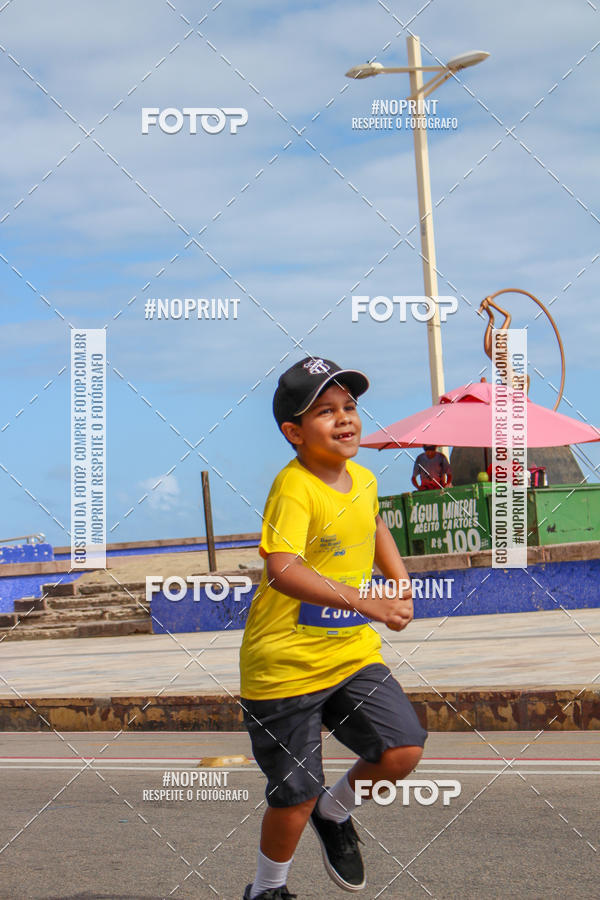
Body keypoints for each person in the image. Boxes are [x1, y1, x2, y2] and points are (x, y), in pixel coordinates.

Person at [239, 356, 427, 900]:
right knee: (294, 794)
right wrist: (367, 601)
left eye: (349, 407)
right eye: (325, 411)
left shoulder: (363, 478)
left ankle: (336, 810)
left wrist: (398, 580)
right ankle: (267, 890)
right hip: (284, 668)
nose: (344, 418)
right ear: (294, 433)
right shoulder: (294, 488)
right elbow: (284, 567)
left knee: (402, 749)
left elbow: (371, 523)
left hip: (349, 654)